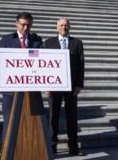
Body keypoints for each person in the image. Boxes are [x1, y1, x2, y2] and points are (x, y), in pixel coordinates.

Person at [44, 18, 85, 156]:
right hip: (54, 86)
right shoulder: (49, 43)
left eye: (66, 25)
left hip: (71, 87)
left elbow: (81, 64)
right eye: (61, 25)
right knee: (52, 117)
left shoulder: (77, 43)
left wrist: (79, 84)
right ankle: (52, 145)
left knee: (72, 117)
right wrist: (45, 85)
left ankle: (73, 146)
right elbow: (44, 65)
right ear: (57, 27)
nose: (64, 27)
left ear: (70, 27)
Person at [0, 12, 44, 136]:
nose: (25, 28)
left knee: (33, 122)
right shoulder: (7, 40)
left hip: (31, 89)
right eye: (23, 25)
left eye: (28, 25)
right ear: (16, 23)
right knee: (9, 121)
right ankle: (7, 152)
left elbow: (41, 62)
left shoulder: (37, 40)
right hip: (10, 89)